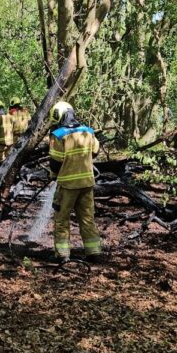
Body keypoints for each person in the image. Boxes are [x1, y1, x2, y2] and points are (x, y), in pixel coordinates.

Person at [48, 101, 102, 264]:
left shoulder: (58, 135)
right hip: (87, 183)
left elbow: (56, 161)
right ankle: (93, 251)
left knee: (62, 219)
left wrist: (52, 176)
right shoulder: (88, 131)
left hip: (67, 186)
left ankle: (63, 254)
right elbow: (95, 152)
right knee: (87, 218)